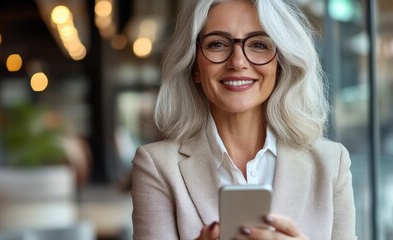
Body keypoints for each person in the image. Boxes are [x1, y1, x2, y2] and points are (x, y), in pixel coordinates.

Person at [131, 0, 356, 239]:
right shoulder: (157, 165)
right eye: (217, 44)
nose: (238, 62)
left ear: (280, 63)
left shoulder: (332, 163)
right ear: (195, 66)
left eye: (259, 44)